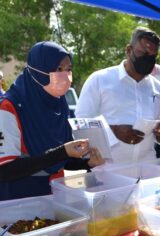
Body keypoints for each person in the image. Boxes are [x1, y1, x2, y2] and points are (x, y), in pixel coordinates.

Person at [0, 41, 105, 200]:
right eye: (59, 69)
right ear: (38, 71)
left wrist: (87, 163)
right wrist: (62, 151)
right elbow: (5, 171)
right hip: (19, 204)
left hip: (54, 199)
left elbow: (62, 162)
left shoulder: (60, 105)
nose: (66, 75)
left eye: (69, 69)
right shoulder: (10, 108)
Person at [76, 27, 160, 165]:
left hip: (147, 169)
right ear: (129, 50)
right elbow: (80, 125)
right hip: (107, 171)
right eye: (143, 52)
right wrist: (113, 131)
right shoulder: (99, 80)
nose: (148, 58)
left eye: (152, 55)